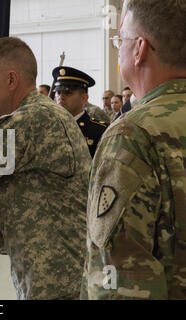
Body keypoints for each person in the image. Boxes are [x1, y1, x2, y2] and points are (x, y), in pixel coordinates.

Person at [0, 37, 91, 299]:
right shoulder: (35, 117)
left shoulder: (33, 118)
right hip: (51, 278)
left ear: (11, 80)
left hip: (57, 286)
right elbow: (37, 217)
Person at [82, 0, 186, 299]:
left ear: (139, 49)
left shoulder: (134, 134)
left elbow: (122, 279)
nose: (119, 48)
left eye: (120, 41)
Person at [53, 66, 108, 158]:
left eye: (67, 93)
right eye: (58, 93)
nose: (60, 97)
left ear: (84, 98)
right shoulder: (50, 126)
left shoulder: (100, 130)